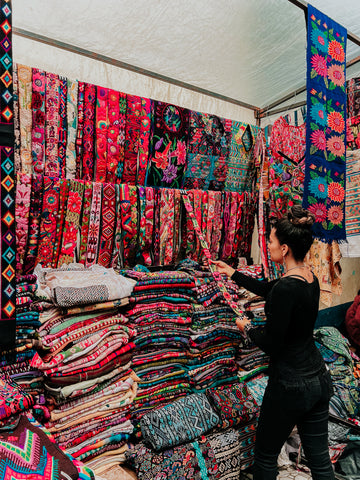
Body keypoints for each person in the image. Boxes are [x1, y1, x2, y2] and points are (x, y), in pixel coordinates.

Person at [211, 205, 335, 480]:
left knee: (265, 457)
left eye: (271, 240)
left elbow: (272, 343)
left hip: (290, 384)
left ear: (286, 248)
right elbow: (269, 289)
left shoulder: (286, 288)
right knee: (320, 460)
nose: (268, 244)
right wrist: (232, 273)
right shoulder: (308, 278)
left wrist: (247, 329)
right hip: (317, 378)